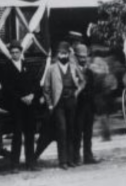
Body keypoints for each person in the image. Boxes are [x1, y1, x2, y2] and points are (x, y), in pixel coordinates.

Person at [42, 41, 85, 169]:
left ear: (68, 54)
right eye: (61, 53)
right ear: (57, 54)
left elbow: (82, 81)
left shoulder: (73, 66)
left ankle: (71, 159)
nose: (63, 56)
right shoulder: (51, 69)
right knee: (62, 130)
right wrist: (50, 104)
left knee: (71, 130)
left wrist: (77, 92)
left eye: (65, 53)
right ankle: (63, 161)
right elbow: (46, 88)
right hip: (58, 103)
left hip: (71, 101)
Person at [0, 40, 41, 172]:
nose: (15, 54)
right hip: (16, 106)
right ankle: (15, 164)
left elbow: (36, 84)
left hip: (29, 106)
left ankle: (31, 163)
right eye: (12, 52)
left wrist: (32, 95)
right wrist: (20, 98)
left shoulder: (28, 66)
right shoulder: (6, 68)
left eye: (17, 52)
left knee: (30, 135)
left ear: (21, 52)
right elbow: (6, 88)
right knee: (17, 135)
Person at [73, 44, 98, 165]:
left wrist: (94, 108)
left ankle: (88, 156)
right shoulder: (72, 71)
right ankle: (76, 157)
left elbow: (94, 90)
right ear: (76, 57)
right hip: (77, 108)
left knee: (88, 133)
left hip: (89, 108)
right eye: (80, 57)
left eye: (84, 57)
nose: (83, 59)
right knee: (77, 133)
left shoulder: (90, 72)